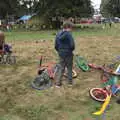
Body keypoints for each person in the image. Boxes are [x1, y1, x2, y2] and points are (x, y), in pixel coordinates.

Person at [55, 21, 75, 87]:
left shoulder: (58, 34)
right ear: (68, 27)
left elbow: (56, 45)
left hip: (61, 53)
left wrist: (60, 51)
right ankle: (70, 83)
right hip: (68, 53)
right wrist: (70, 51)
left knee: (61, 68)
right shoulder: (69, 34)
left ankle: (58, 84)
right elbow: (72, 45)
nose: (72, 30)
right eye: (71, 28)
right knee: (69, 68)